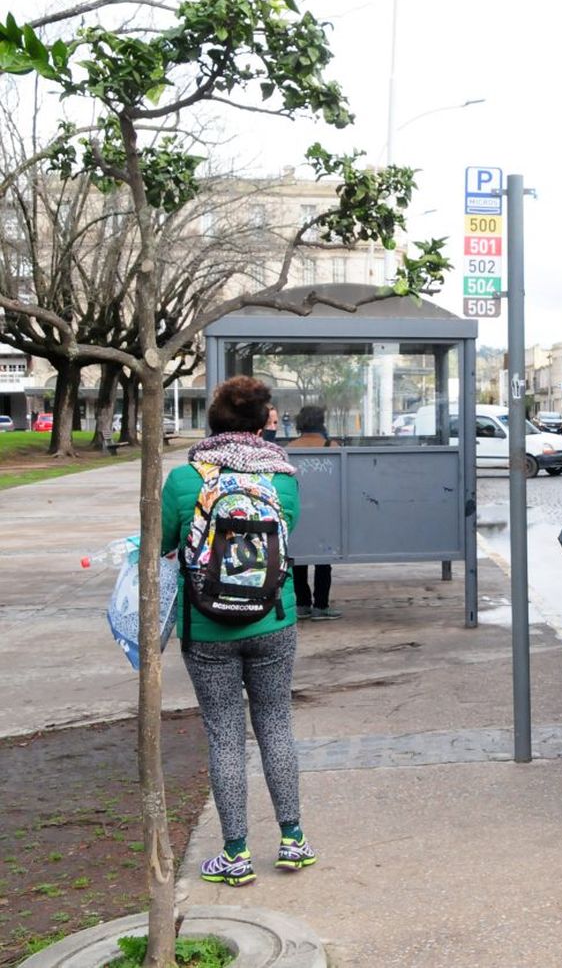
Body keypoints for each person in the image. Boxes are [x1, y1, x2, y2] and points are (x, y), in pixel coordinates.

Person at [162, 376, 315, 886]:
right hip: (273, 620)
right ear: (262, 421)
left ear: (214, 421)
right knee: (275, 724)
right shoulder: (283, 480)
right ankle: (293, 840)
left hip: (206, 628)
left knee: (225, 737)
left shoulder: (185, 480)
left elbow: (164, 542)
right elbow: (286, 536)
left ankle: (235, 854)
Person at [286, 405, 342, 620]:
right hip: (325, 510)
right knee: (323, 559)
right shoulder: (332, 447)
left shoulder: (289, 448)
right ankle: (321, 606)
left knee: (298, 558)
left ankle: (302, 604)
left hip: (299, 510)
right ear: (321, 422)